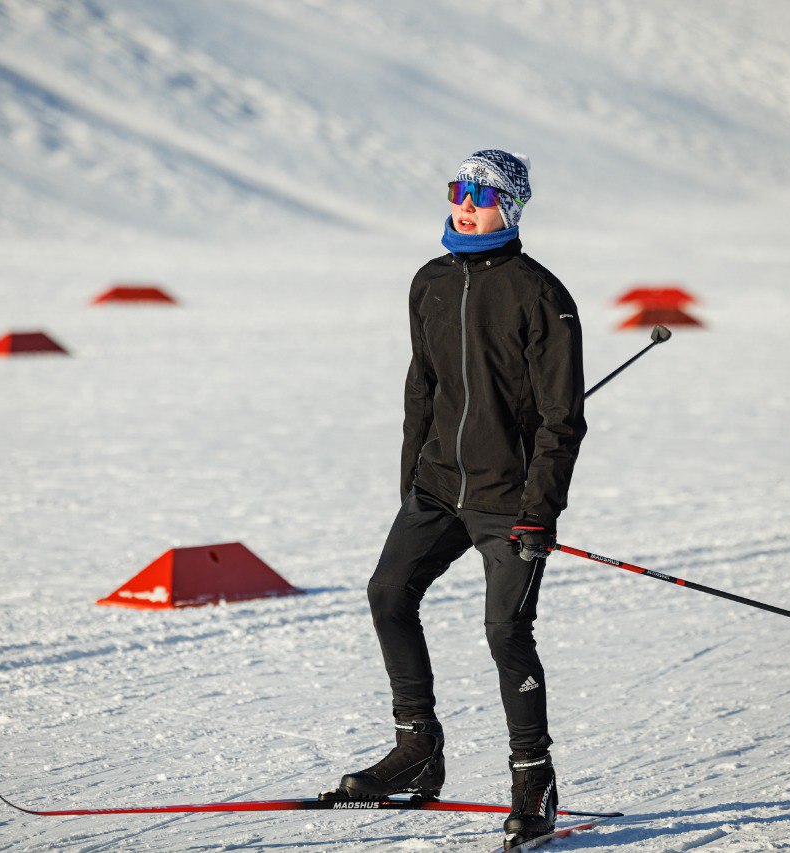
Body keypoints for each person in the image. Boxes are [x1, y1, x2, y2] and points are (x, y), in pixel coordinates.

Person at [337, 150, 587, 845]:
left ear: (508, 206)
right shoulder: (430, 282)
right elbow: (422, 385)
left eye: (479, 193)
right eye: (457, 190)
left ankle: (533, 778)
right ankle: (418, 750)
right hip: (439, 487)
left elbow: (563, 420)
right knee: (388, 591)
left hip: (511, 499)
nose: (463, 203)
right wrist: (411, 480)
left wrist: (541, 510)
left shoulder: (542, 295)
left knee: (506, 631)